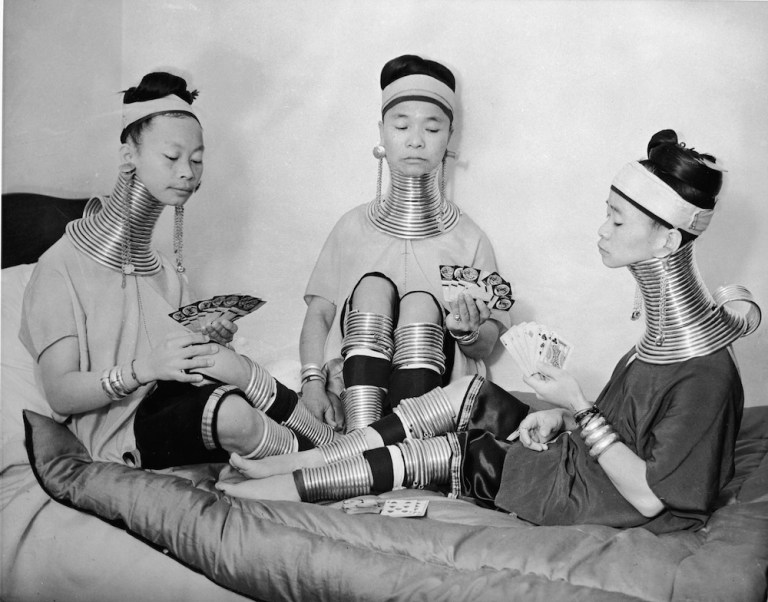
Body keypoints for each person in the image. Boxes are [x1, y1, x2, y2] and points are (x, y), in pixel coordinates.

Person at [218, 129, 761, 534]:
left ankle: (287, 485)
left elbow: (647, 497)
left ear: (667, 240)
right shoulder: (662, 343)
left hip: (585, 495)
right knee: (468, 392)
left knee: (443, 454)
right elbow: (631, 426)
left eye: (618, 220)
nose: (602, 229)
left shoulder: (704, 376)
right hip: (576, 459)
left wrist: (579, 404)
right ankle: (309, 458)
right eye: (607, 213)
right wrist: (562, 417)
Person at [19, 72, 336, 470]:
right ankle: (329, 458)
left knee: (225, 363)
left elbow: (186, 366)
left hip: (173, 406)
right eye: (172, 157)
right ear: (128, 156)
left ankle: (332, 446)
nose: (188, 171)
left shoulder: (166, 273)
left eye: (197, 160)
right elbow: (61, 393)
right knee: (234, 416)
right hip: (119, 432)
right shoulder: (60, 268)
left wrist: (210, 341)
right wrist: (144, 369)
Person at [299, 55, 510, 433]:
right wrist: (312, 383)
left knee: (420, 306)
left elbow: (487, 342)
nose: (415, 140)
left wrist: (469, 332)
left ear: (449, 136)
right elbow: (320, 314)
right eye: (401, 126)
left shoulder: (469, 238)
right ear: (382, 133)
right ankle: (365, 434)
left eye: (432, 128)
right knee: (372, 290)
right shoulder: (350, 228)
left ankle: (394, 442)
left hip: (437, 403)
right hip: (349, 394)